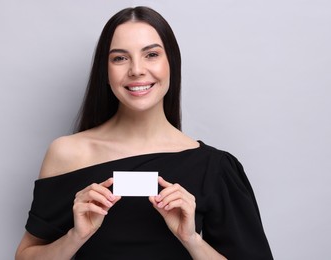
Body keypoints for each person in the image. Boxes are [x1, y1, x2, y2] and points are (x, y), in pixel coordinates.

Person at [15, 6, 273, 260]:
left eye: (151, 55)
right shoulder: (68, 153)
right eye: (120, 58)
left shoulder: (215, 168)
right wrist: (75, 236)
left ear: (171, 63)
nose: (136, 69)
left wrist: (191, 240)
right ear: (105, 71)